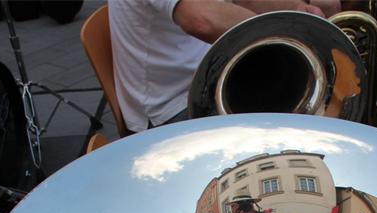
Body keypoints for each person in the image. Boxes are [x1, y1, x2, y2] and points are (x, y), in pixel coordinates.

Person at [108, 0, 339, 133]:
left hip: (211, 74)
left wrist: (297, 7)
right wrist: (292, 30)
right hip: (171, 107)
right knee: (308, 125)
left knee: (324, 100)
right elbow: (202, 20)